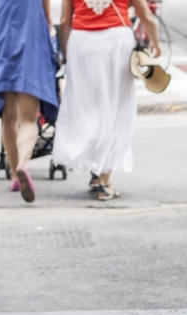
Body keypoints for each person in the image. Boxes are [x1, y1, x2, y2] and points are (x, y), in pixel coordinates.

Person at [53, 0, 160, 201]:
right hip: (115, 42)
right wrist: (155, 41)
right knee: (114, 108)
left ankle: (96, 170)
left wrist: (68, 54)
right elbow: (145, 15)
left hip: (82, 43)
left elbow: (65, 20)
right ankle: (104, 179)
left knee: (86, 108)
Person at [0, 0, 58, 202]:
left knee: (8, 117)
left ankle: (15, 176)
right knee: (27, 119)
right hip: (29, 29)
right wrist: (48, 20)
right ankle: (23, 163)